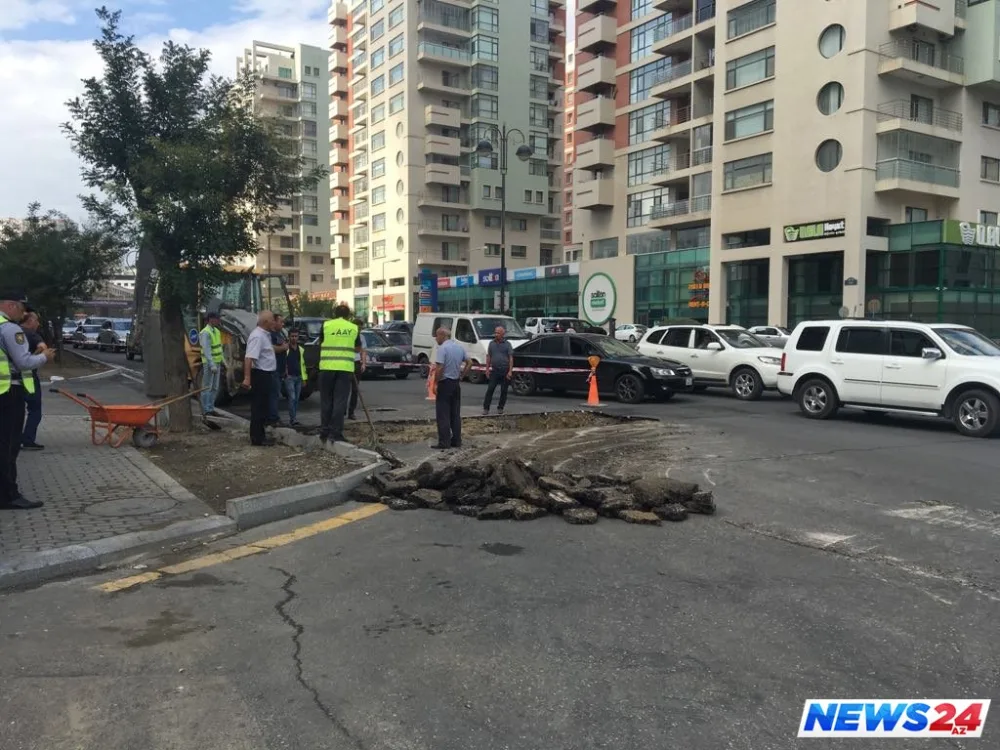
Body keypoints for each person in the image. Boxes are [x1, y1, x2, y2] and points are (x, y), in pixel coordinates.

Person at [0, 289, 55, 509]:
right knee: (9, 446)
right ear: (11, 305)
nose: (23, 314)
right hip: (8, 392)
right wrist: (44, 357)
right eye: (22, 308)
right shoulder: (10, 329)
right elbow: (23, 363)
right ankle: (8, 496)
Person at [318, 304, 362, 444]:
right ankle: (336, 433)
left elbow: (320, 343)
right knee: (339, 402)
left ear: (334, 314)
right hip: (344, 369)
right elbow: (357, 349)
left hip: (326, 368)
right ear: (349, 315)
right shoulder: (353, 328)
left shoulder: (326, 325)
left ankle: (324, 431)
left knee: (326, 401)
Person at [242, 310, 277, 447]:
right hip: (261, 375)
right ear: (266, 322)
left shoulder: (264, 335)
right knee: (258, 407)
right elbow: (249, 358)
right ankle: (257, 438)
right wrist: (247, 378)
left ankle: (260, 436)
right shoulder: (257, 336)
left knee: (263, 407)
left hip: (266, 375)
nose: (274, 322)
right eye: (272, 320)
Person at [432, 326, 470, 450]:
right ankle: (457, 440)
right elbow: (470, 362)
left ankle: (444, 442)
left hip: (445, 383)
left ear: (443, 335)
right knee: (455, 414)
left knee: (443, 414)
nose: (436, 338)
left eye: (437, 335)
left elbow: (440, 368)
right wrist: (462, 375)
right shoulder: (459, 347)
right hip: (455, 383)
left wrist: (436, 383)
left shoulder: (442, 349)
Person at [19, 311, 45, 450]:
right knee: (34, 409)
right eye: (37, 321)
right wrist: (33, 358)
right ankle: (27, 439)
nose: (38, 324)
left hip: (12, 378)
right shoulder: (32, 334)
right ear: (30, 321)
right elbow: (42, 348)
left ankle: (14, 438)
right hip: (28, 377)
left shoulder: (13, 331)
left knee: (15, 410)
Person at [482, 326, 513, 416]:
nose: (496, 334)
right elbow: (489, 357)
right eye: (495, 332)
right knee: (490, 389)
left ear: (503, 334)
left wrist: (510, 371)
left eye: (498, 333)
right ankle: (486, 408)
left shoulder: (507, 344)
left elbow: (511, 358)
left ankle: (500, 407)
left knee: (504, 390)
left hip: (505, 370)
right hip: (495, 370)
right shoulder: (491, 344)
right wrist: (487, 369)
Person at [198, 311, 223, 417]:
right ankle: (206, 410)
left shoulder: (216, 331)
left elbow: (219, 347)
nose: (218, 321)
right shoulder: (205, 332)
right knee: (207, 387)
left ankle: (211, 407)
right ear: (211, 319)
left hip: (217, 362)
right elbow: (207, 350)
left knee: (215, 387)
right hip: (209, 364)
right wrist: (211, 364)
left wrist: (223, 361)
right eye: (217, 319)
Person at [269, 313, 289, 426]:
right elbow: (270, 348)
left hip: (280, 369)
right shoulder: (270, 335)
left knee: (276, 394)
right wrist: (282, 348)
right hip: (273, 369)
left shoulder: (279, 333)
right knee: (274, 394)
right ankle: (273, 418)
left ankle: (274, 416)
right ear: (274, 322)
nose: (283, 324)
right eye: (280, 321)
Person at [285, 327, 307, 426]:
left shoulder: (301, 349)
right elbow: (284, 362)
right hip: (289, 377)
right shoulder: (286, 349)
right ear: (289, 337)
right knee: (292, 398)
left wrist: (304, 378)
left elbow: (302, 364)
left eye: (296, 336)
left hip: (298, 377)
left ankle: (294, 418)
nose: (294, 338)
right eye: (292, 336)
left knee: (296, 399)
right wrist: (285, 374)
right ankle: (292, 419)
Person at [347, 318, 367, 420]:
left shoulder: (362, 337)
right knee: (344, 389)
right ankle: (341, 411)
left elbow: (363, 351)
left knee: (355, 390)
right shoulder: (348, 335)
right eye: (358, 328)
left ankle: (351, 412)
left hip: (356, 363)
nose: (359, 330)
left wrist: (363, 363)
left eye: (360, 328)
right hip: (347, 363)